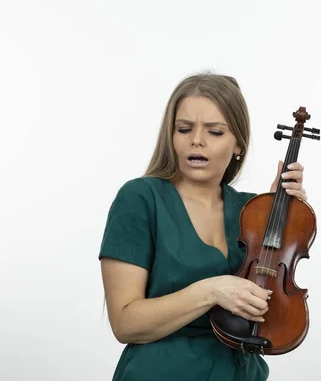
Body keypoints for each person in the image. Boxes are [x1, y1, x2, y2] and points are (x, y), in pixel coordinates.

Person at [98, 72, 309, 380]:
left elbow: (269, 315)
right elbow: (124, 322)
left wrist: (284, 214)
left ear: (238, 144)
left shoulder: (251, 212)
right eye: (184, 129)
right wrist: (211, 291)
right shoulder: (140, 198)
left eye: (214, 132)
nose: (196, 140)